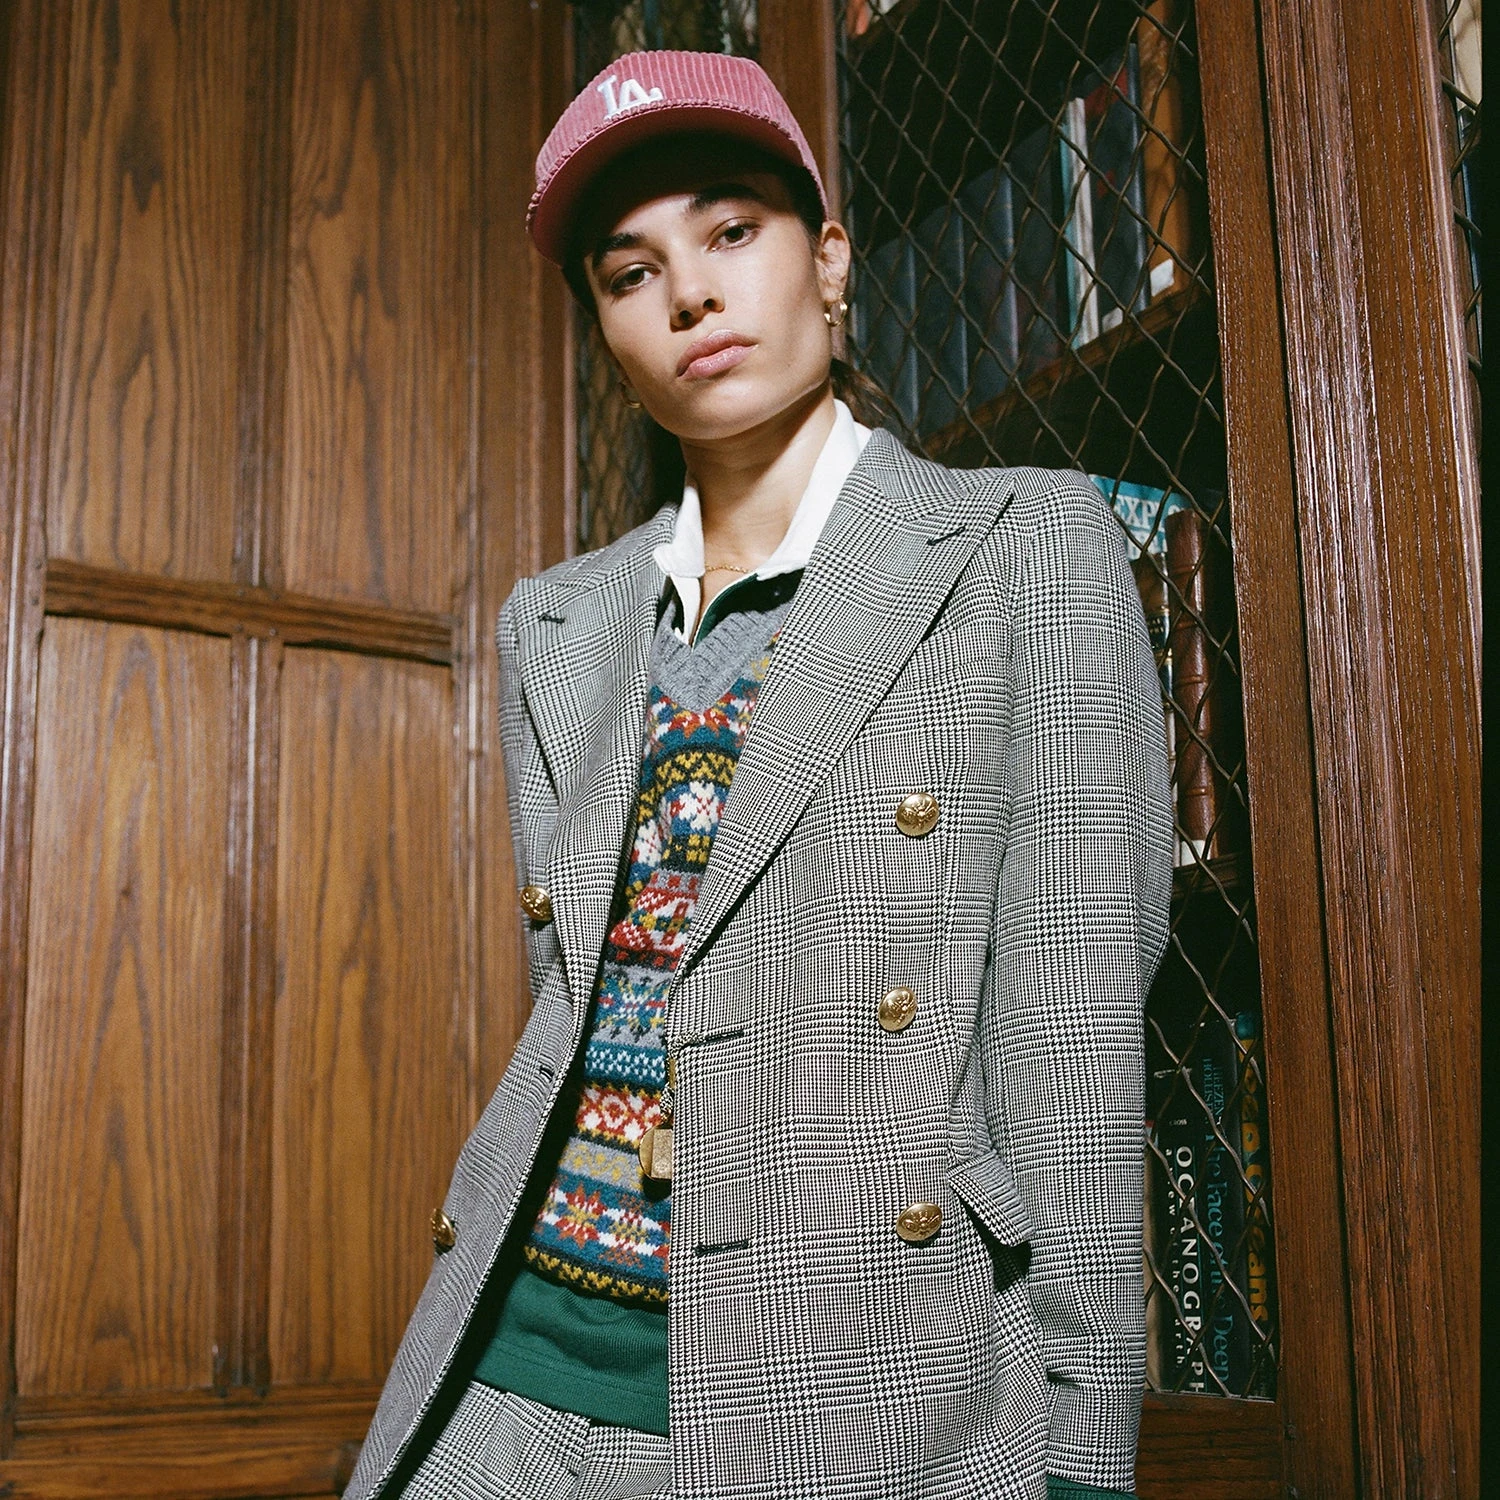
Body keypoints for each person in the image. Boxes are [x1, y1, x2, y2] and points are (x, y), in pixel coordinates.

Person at [346, 49, 1172, 1500]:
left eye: (731, 229)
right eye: (631, 272)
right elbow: (578, 1007)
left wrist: (1083, 1451)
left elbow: (1074, 1043)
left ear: (829, 260)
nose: (689, 294)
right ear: (610, 329)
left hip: (851, 1374)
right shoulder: (560, 622)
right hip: (511, 1368)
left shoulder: (1023, 550)